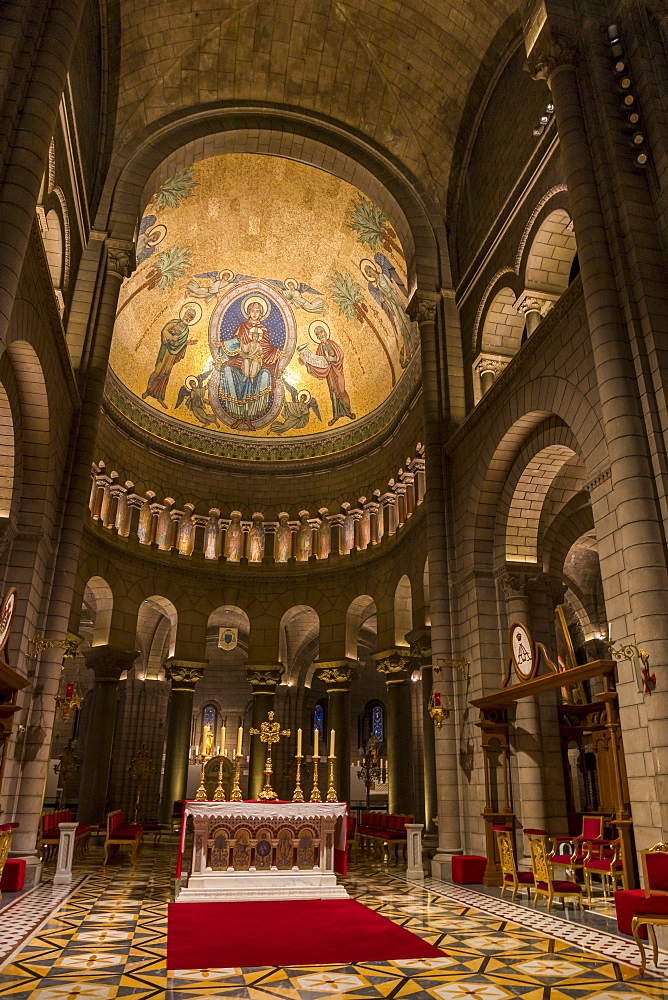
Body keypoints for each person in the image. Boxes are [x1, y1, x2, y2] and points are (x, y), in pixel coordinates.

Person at [215, 298, 280, 430]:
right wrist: (223, 344)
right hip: (241, 359)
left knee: (265, 374)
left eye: (257, 311)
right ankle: (238, 415)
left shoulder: (263, 329)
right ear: (248, 312)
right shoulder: (242, 326)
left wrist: (278, 352)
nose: (255, 314)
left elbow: (266, 347)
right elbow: (236, 342)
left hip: (257, 362)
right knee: (227, 369)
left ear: (261, 314)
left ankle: (250, 417)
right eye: (252, 311)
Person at [299, 322, 355, 426]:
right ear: (317, 337)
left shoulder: (332, 343)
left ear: (325, 332)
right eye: (318, 334)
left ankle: (348, 412)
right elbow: (318, 363)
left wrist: (333, 359)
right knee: (333, 393)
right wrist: (306, 361)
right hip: (329, 374)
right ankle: (336, 415)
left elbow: (340, 355)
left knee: (341, 390)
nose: (321, 335)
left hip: (337, 372)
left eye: (321, 332)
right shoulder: (320, 348)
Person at [142, 308, 198, 409]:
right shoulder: (174, 322)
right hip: (166, 350)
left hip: (172, 355)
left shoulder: (186, 330)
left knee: (166, 374)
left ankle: (160, 397)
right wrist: (171, 338)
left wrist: (187, 343)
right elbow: (164, 331)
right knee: (158, 371)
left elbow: (180, 343)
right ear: (184, 314)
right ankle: (148, 391)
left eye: (191, 317)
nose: (188, 318)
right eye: (188, 315)